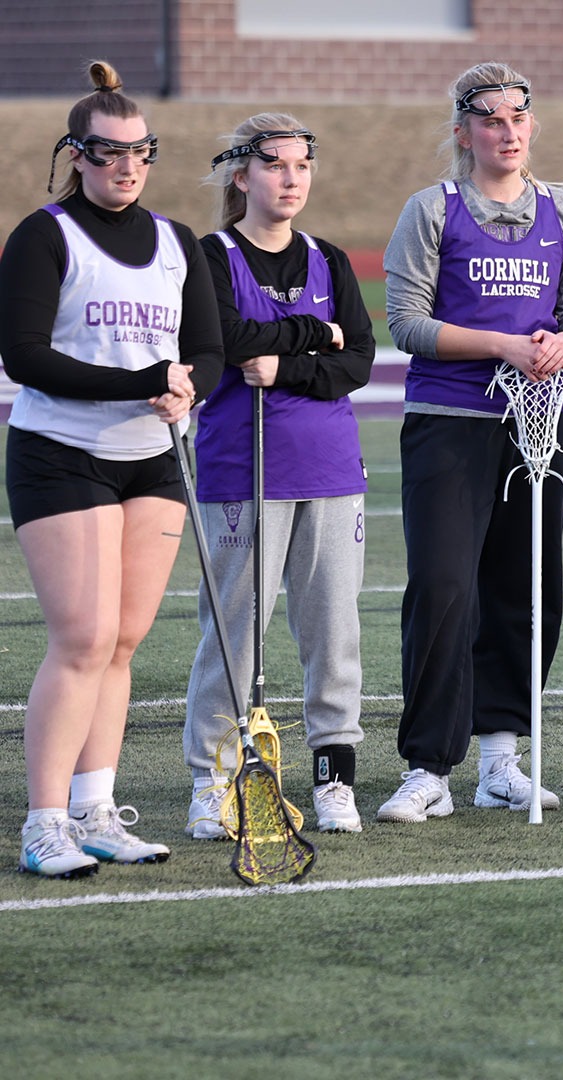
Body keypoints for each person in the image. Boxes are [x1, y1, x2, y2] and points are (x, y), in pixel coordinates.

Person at [0, 60, 223, 877]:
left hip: (152, 457)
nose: (126, 166)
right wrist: (142, 382)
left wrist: (189, 385)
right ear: (77, 154)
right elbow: (24, 358)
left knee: (124, 641)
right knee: (83, 637)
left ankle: (96, 808)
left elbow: (205, 346)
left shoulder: (175, 243)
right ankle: (43, 822)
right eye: (108, 153)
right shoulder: (43, 236)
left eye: (141, 152)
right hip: (62, 454)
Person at [377, 61, 563, 823]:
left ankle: (502, 759)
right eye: (491, 121)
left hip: (540, 424)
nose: (507, 132)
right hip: (450, 426)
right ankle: (428, 766)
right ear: (464, 132)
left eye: (517, 118)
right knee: (444, 590)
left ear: (531, 125)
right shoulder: (433, 209)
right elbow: (406, 323)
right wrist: (502, 346)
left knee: (527, 590)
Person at [182, 114, 376, 839]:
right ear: (242, 175)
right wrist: (307, 336)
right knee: (233, 632)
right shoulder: (212, 255)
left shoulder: (329, 258)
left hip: (329, 468)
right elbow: (227, 342)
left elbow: (356, 357)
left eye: (302, 166)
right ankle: (212, 778)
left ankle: (334, 777)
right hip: (242, 469)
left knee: (333, 628)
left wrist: (287, 364)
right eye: (275, 166)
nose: (291, 179)